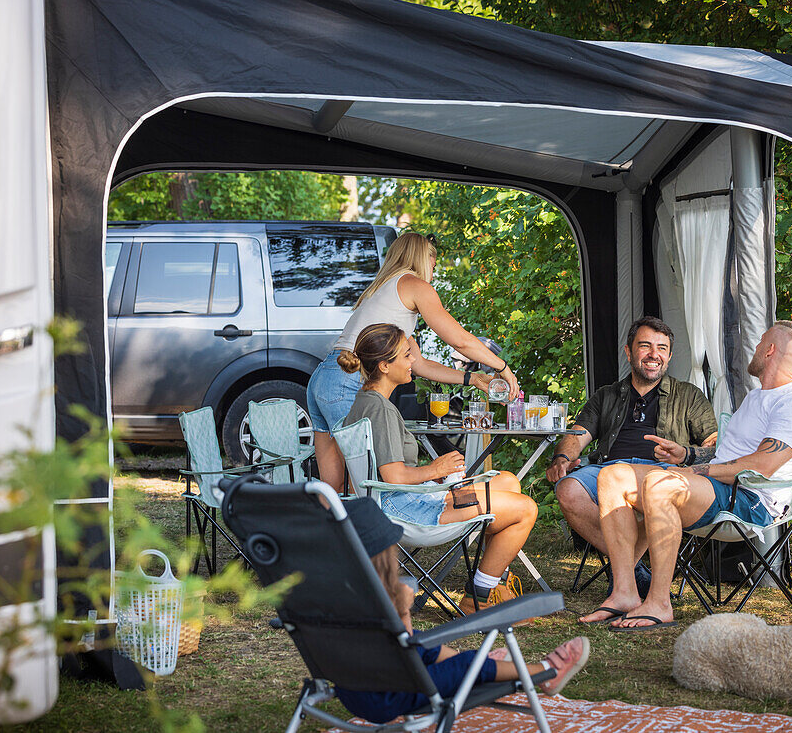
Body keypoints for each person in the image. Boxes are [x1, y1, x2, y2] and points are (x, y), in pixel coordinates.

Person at [580, 321, 792, 629]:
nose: (755, 348)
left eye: (761, 342)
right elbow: (725, 455)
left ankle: (658, 602)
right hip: (717, 487)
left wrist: (696, 470)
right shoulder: (758, 397)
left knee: (660, 484)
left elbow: (761, 466)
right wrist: (687, 456)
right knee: (613, 476)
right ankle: (625, 592)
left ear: (771, 350)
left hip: (750, 501)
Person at [334, 496, 590, 724]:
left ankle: (486, 661)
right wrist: (402, 609)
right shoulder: (386, 601)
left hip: (350, 691)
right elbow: (406, 647)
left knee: (426, 648)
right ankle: (545, 672)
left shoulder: (331, 599)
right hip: (388, 696)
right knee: (463, 664)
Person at [341, 322, 535, 614]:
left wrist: (437, 476)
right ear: (384, 366)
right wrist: (436, 469)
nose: (413, 363)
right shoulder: (379, 409)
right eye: (407, 356)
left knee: (507, 482)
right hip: (408, 510)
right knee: (525, 509)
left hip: (400, 500)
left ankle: (495, 582)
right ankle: (478, 598)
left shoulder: (365, 401)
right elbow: (393, 476)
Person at [307, 232, 520, 492]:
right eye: (433, 262)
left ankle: (324, 532)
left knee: (334, 488)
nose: (434, 269)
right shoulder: (414, 285)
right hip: (346, 383)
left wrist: (472, 378)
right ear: (423, 258)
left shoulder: (386, 290)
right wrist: (502, 367)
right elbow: (460, 341)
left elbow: (418, 364)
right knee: (360, 485)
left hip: (324, 378)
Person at [546, 316, 717, 596]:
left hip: (661, 471)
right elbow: (577, 436)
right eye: (645, 346)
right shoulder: (606, 395)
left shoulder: (689, 395)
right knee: (567, 489)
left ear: (670, 356)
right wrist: (562, 459)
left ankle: (623, 574)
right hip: (608, 468)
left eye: (662, 348)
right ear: (628, 351)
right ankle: (632, 570)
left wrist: (686, 453)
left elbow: (713, 445)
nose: (654, 355)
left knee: (659, 491)